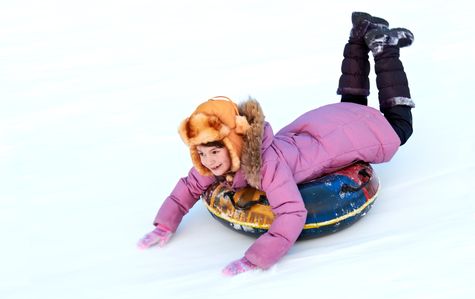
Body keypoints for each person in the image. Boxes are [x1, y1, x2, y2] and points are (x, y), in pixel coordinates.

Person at [137, 12, 415, 276]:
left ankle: (385, 48)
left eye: (214, 151)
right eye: (201, 153)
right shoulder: (214, 162)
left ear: (233, 143)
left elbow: (293, 212)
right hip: (317, 127)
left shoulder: (267, 166)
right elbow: (187, 187)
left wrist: (255, 259)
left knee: (399, 127)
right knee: (352, 105)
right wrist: (164, 225)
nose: (208, 161)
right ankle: (360, 34)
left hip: (335, 137)